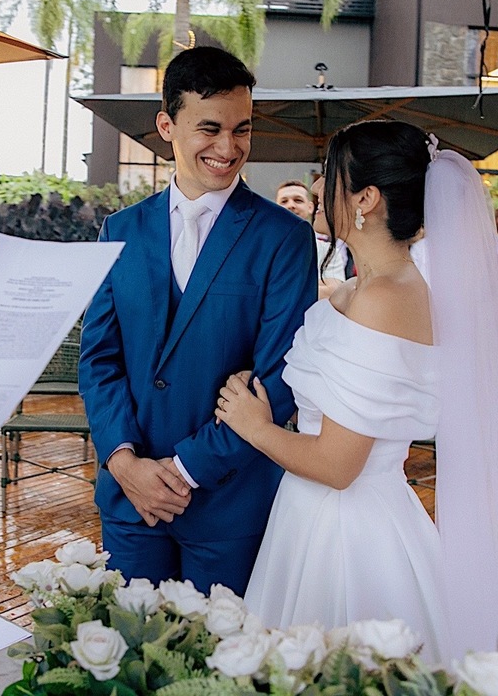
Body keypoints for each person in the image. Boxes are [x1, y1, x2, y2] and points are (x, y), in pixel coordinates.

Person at [215, 120, 498, 663]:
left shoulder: (389, 298)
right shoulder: (359, 288)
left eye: (330, 176)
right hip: (309, 514)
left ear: (366, 198)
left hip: (347, 532)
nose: (318, 188)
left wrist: (254, 426)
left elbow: (339, 464)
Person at [79, 46, 316, 595]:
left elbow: (283, 376)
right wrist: (124, 462)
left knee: (219, 670)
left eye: (242, 130)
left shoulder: (283, 237)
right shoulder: (120, 230)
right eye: (209, 129)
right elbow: (100, 360)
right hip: (130, 499)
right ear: (167, 124)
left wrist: (182, 472)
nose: (228, 148)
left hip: (230, 501)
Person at [276, 178, 349, 298]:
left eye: (298, 200)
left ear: (310, 207)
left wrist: (277, 287)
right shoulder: (262, 249)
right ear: (275, 208)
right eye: (284, 201)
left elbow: (333, 293)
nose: (291, 205)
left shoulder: (328, 251)